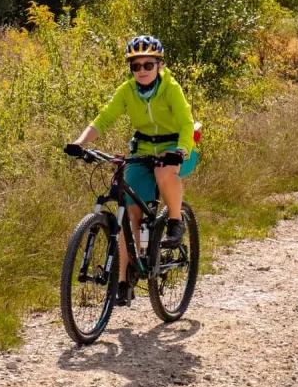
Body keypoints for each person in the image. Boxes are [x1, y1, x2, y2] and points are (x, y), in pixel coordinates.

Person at [64, 35, 199, 306]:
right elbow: (104, 118)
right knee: (130, 213)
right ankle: (123, 281)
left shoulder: (171, 88)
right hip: (143, 150)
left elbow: (186, 123)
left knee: (164, 173)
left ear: (159, 65)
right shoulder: (127, 91)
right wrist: (80, 143)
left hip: (177, 147)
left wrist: (180, 151)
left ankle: (175, 220)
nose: (141, 71)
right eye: (135, 66)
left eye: (148, 65)